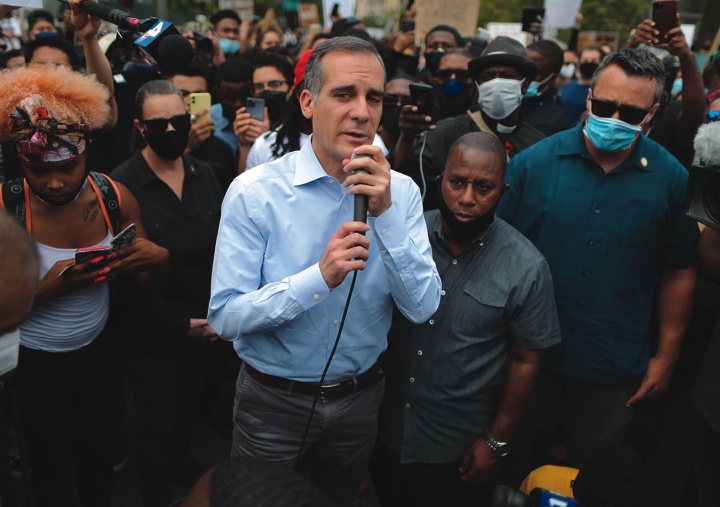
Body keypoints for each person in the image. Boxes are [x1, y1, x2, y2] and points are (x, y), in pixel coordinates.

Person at [207, 36, 441, 506]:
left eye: (373, 97)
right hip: (272, 402)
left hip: (360, 400)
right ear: (308, 102)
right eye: (343, 94)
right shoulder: (255, 193)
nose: (361, 111)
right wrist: (319, 278)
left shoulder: (403, 193)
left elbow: (422, 308)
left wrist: (387, 214)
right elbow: (225, 317)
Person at [496, 48, 699, 473]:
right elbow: (492, 257)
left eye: (629, 112)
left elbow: (679, 269)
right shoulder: (533, 165)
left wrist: (667, 355)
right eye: (605, 106)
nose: (613, 118)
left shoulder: (673, 180)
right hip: (526, 361)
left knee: (593, 477)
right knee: (509, 470)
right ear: (589, 98)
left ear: (653, 114)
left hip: (613, 367)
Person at [0, 63, 168, 507]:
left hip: (99, 352)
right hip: (34, 361)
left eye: (68, 168)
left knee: (98, 454)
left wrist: (155, 257)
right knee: (49, 460)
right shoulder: (6, 209)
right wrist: (43, 291)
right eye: (38, 170)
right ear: (19, 161)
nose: (55, 181)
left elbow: (145, 280)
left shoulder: (115, 196)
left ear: (85, 155)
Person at [371, 132, 561, 506]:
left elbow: (526, 359)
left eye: (483, 187)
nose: (467, 198)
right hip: (383, 428)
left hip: (455, 447)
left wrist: (496, 441)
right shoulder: (406, 235)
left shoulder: (526, 266)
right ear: (441, 179)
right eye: (457, 182)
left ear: (502, 192)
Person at [111, 80, 225, 507]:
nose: (173, 131)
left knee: (186, 414)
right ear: (141, 127)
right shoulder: (122, 186)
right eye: (161, 124)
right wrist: (180, 326)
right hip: (152, 332)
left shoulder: (206, 176)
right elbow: (125, 277)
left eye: (180, 121)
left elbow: (221, 254)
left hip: (205, 324)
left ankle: (180, 467)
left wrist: (214, 318)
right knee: (154, 422)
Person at [395, 36, 545, 210]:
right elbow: (405, 185)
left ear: (524, 85)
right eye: (488, 77)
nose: (496, 83)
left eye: (506, 75)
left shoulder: (538, 145)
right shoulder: (443, 133)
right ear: (478, 85)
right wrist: (406, 138)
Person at [166, 59, 237, 192]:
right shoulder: (154, 138)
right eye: (182, 94)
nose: (189, 102)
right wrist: (184, 147)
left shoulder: (222, 149)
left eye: (198, 96)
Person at [210, 57, 270, 173]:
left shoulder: (267, 119)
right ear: (218, 93)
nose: (238, 104)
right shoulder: (208, 120)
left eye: (244, 96)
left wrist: (265, 139)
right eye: (229, 97)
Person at [522, 39, 568, 135]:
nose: (525, 76)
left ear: (552, 78)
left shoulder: (544, 125)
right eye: (523, 67)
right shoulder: (523, 102)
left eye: (533, 72)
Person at [561, 45, 604, 125]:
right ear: (579, 62)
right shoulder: (568, 85)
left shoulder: (602, 91)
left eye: (593, 61)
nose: (588, 63)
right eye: (585, 60)